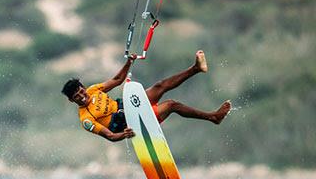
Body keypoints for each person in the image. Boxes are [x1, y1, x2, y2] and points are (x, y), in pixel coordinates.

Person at [61, 50, 231, 143]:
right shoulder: (86, 119)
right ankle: (213, 117)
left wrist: (129, 62)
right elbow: (110, 136)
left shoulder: (94, 90)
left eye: (81, 91)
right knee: (171, 105)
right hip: (126, 124)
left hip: (127, 107)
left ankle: (195, 69)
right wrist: (124, 134)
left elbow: (117, 79)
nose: (82, 96)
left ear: (83, 87)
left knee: (160, 86)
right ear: (72, 100)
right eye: (77, 97)